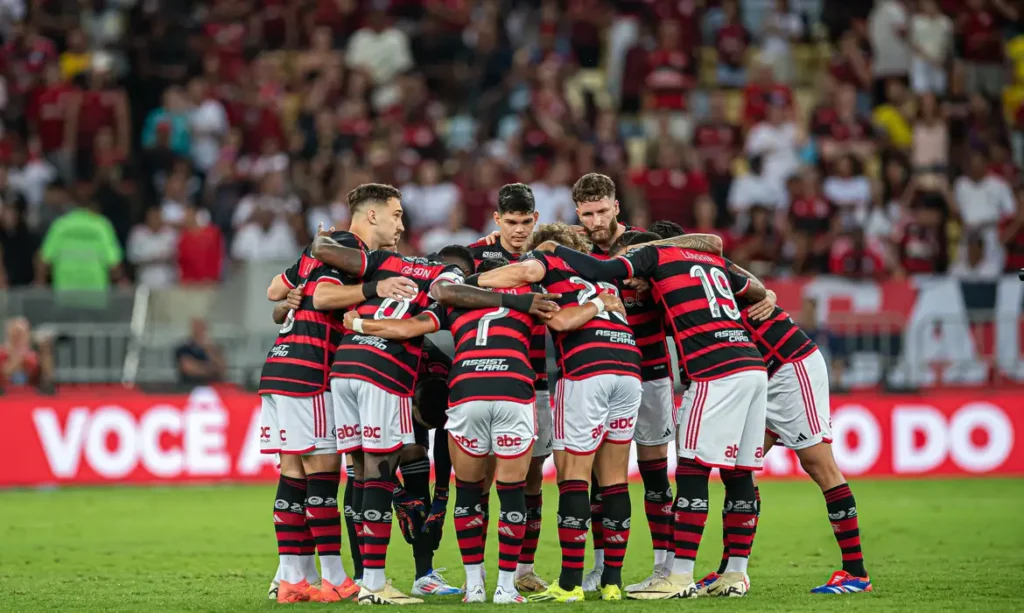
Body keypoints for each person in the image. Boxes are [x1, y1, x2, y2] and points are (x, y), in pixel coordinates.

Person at [309, 206, 558, 605]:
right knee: (502, 490)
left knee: (369, 474)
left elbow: (334, 273)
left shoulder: (401, 270)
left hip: (365, 373)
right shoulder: (475, 293)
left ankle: (365, 576)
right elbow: (416, 322)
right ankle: (488, 585)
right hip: (490, 387)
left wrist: (355, 321)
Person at [341, 254, 610, 604]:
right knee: (511, 492)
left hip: (467, 391)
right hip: (513, 389)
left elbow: (406, 329)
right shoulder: (532, 296)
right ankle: (506, 588)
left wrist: (359, 324)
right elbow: (564, 323)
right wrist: (599, 304)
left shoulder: (453, 302)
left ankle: (475, 587)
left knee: (469, 493)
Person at [532, 231, 771, 599]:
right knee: (739, 473)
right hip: (753, 366)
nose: (633, 284)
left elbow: (601, 267)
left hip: (713, 370)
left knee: (691, 469)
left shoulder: (654, 257)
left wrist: (553, 250)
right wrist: (769, 295)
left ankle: (677, 576)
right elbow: (754, 289)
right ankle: (736, 575)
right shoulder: (714, 262)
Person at [261, 184, 421, 604]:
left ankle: (292, 576)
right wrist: (374, 289)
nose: (401, 224)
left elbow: (276, 292)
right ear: (372, 216)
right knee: (322, 475)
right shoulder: (349, 250)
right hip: (310, 368)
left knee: (293, 473)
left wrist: (293, 295)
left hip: (280, 364)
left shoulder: (324, 248)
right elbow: (323, 295)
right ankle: (332, 577)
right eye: (396, 215)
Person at [472, 222, 641, 602]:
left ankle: (569, 584)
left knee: (573, 476)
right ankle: (612, 582)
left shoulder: (550, 264)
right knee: (614, 478)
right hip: (630, 370)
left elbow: (561, 320)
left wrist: (472, 281)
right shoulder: (603, 274)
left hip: (585, 372)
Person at [693, 263, 873, 596]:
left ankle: (856, 572)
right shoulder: (681, 281)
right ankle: (731, 573)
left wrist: (766, 292)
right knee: (735, 467)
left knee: (820, 465)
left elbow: (748, 280)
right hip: (756, 373)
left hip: (789, 366)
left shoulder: (703, 266)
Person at [466, 184, 552, 593]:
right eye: (511, 222)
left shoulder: (549, 256)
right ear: (497, 219)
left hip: (536, 381)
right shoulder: (475, 255)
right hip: (486, 376)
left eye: (526, 222)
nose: (519, 230)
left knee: (531, 477)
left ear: (536, 219)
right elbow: (447, 288)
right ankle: (478, 573)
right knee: (481, 479)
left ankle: (523, 569)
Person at [174, 318, 225, 386]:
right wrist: (211, 369)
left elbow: (222, 370)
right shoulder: (183, 349)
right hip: (190, 387)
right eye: (198, 327)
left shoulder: (214, 349)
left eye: (202, 326)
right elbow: (190, 370)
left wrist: (210, 350)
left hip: (214, 387)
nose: (200, 330)